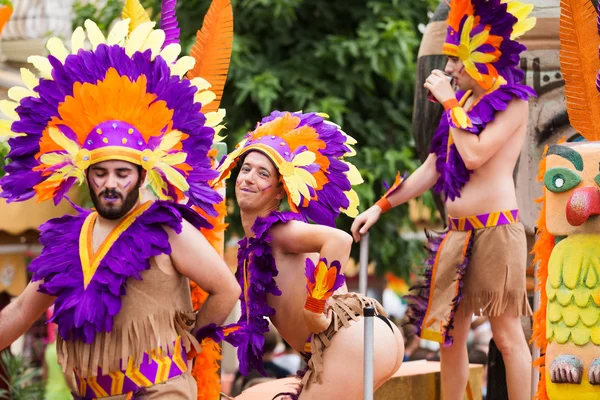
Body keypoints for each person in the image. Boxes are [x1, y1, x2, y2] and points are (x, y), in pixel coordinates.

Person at [0, 0, 240, 397]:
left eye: (122, 173)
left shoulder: (168, 228)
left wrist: (189, 337)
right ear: (87, 176)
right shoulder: (67, 241)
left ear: (142, 175)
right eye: (100, 173)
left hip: (160, 391)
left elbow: (225, 289)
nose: (110, 183)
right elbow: (21, 311)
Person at [351, 1, 537, 399]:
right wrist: (379, 207)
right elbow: (434, 167)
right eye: (449, 61)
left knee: (506, 334)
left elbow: (474, 154)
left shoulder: (514, 101)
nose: (449, 70)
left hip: (496, 229)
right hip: (456, 234)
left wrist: (449, 102)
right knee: (450, 334)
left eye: (458, 62)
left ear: (485, 60)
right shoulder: (461, 106)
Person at [214, 111, 404, 399]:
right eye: (246, 169)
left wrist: (314, 307)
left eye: (263, 173)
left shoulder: (278, 230)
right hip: (359, 343)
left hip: (349, 341)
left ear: (280, 191)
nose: (249, 178)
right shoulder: (254, 244)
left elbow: (339, 240)